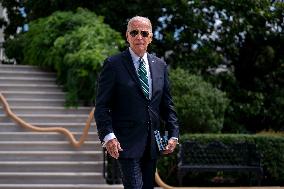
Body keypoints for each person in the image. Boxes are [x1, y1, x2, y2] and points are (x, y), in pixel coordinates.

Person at [94, 16, 179, 189]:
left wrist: (173, 133)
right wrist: (108, 136)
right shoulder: (113, 64)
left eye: (144, 33)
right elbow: (102, 106)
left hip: (152, 144)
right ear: (127, 36)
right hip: (126, 143)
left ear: (151, 37)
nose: (139, 37)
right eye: (134, 32)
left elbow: (166, 104)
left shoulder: (160, 65)